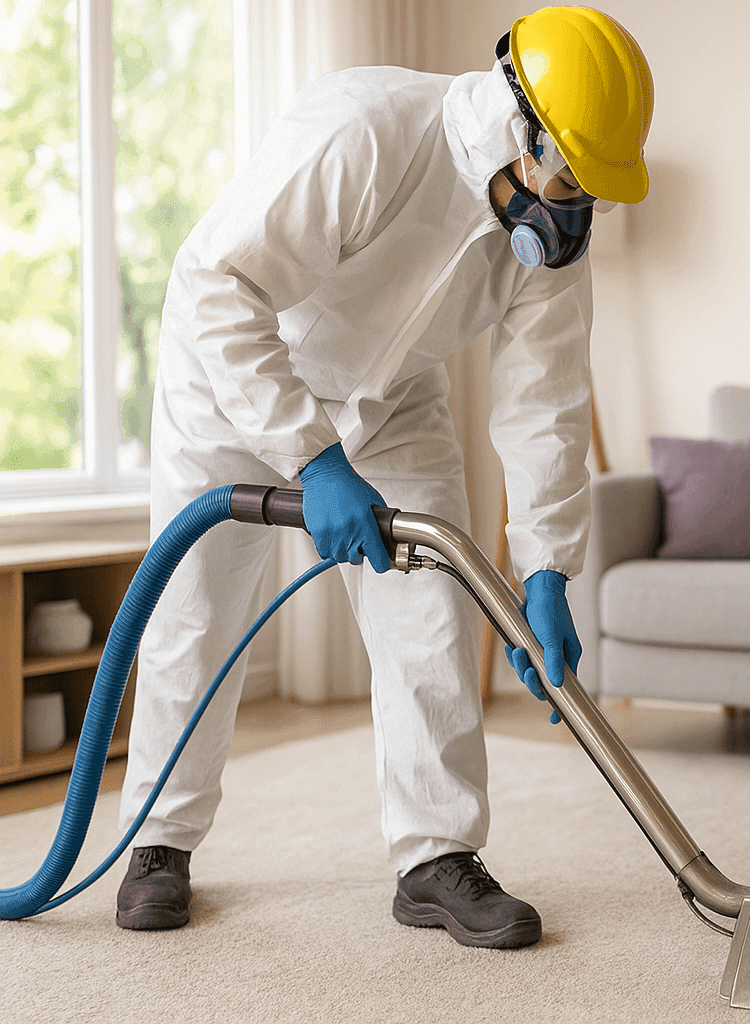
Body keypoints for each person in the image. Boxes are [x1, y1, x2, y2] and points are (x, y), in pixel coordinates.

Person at [113, 7, 653, 948]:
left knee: (432, 609)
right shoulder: (365, 132)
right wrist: (314, 461)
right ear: (521, 126)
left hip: (392, 399)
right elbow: (217, 284)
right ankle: (159, 843)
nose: (577, 208)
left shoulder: (551, 236)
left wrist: (548, 569)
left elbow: (546, 403)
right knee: (194, 614)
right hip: (237, 375)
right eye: (571, 176)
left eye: (595, 193)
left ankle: (436, 857)